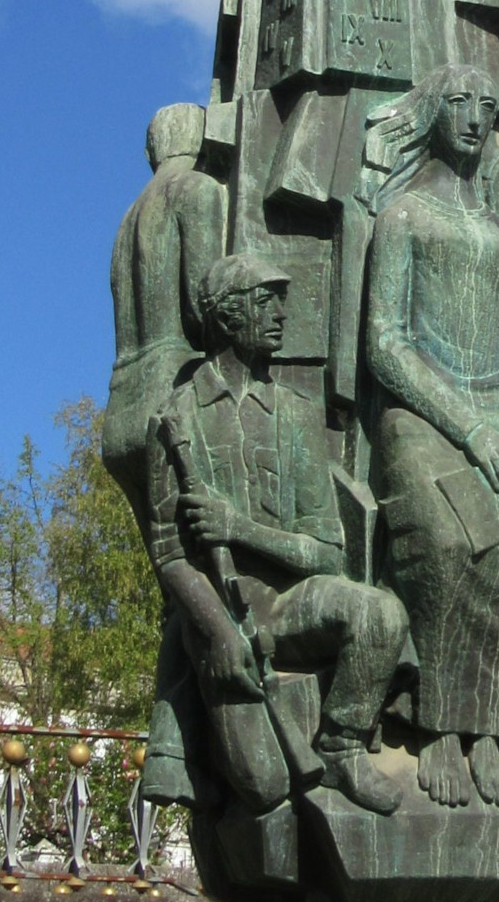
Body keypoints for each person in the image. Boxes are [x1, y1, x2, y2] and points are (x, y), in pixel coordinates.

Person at [365, 65, 499, 809]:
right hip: (420, 412)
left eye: (486, 106)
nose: (475, 118)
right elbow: (384, 346)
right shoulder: (403, 217)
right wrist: (469, 428)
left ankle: (486, 732)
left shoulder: (495, 232)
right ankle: (438, 730)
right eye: (458, 103)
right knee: (447, 550)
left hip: (492, 408)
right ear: (430, 114)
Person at [146, 253, 408, 816]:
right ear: (225, 315)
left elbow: (329, 554)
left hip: (290, 603)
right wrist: (218, 634)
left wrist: (239, 528)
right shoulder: (176, 417)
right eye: (265, 300)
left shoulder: (295, 413)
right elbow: (169, 556)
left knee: (379, 614)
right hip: (218, 615)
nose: (281, 314)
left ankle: (342, 744)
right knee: (264, 788)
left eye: (281, 300)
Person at [102, 103, 227, 534]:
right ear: (203, 140)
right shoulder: (196, 190)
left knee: (174, 581)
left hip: (121, 412)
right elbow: (202, 305)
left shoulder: (127, 218)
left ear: (151, 150)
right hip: (174, 402)